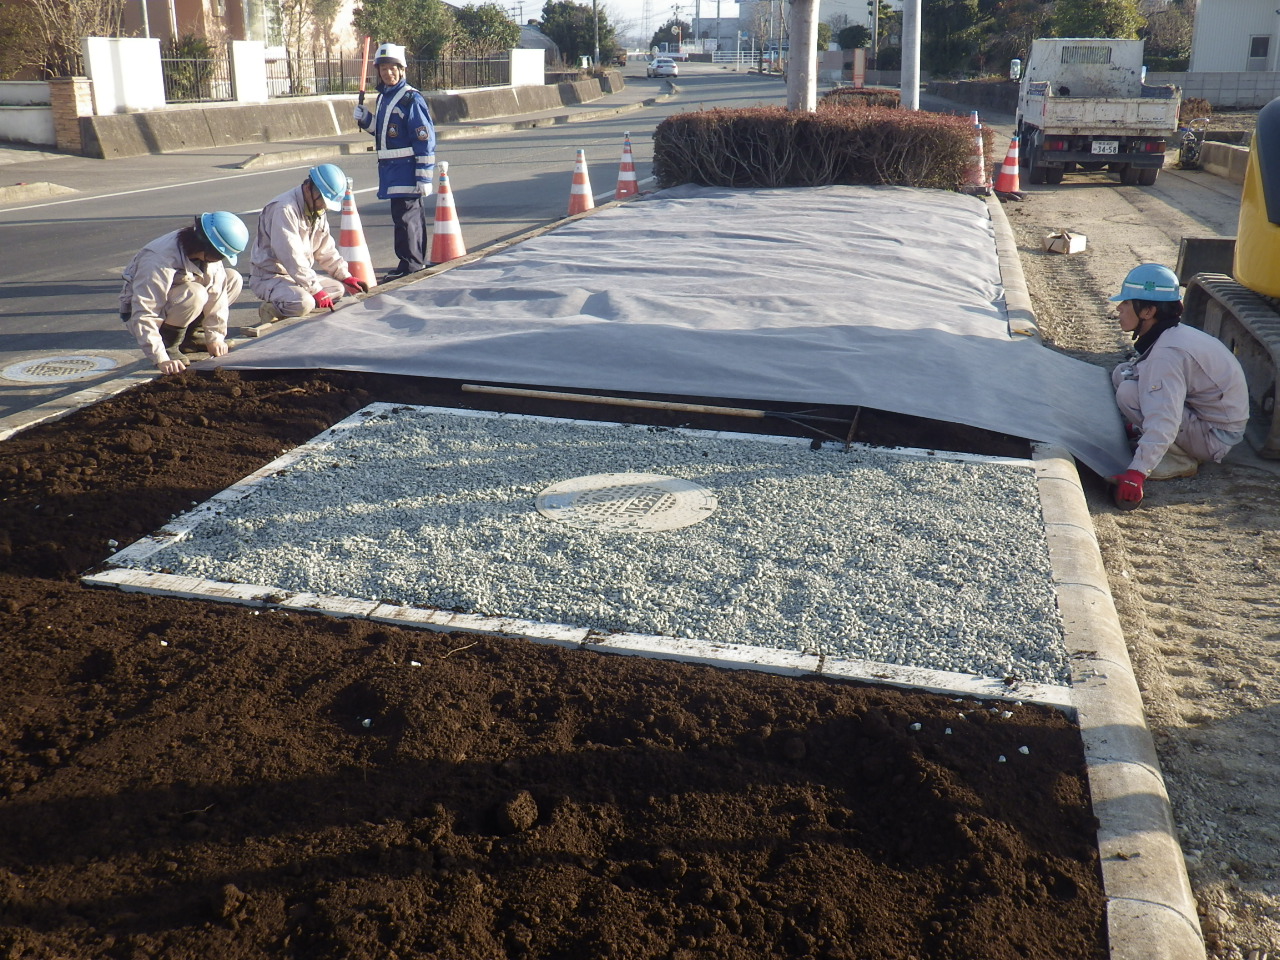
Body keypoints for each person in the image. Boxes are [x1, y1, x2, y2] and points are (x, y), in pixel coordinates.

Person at [1109, 263, 1249, 510]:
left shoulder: (1168, 354)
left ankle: (1179, 460)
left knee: (1129, 393)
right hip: (1211, 419)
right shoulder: (1174, 334)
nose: (1119, 308)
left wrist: (1137, 473)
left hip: (1215, 437)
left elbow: (1165, 418)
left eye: (1127, 303)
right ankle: (1163, 443)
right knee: (1124, 374)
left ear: (1148, 311)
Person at [119, 212, 249, 376]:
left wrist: (215, 338)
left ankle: (192, 336)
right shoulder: (158, 259)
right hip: (143, 312)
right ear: (205, 246)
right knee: (195, 293)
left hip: (178, 301)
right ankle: (169, 344)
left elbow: (218, 296)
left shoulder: (205, 253)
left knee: (232, 279)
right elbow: (145, 312)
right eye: (218, 255)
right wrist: (161, 357)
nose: (219, 260)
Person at [352, 42, 436, 281]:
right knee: (401, 219)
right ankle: (407, 262)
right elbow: (384, 134)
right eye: (383, 68)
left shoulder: (411, 99)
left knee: (408, 219)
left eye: (392, 68)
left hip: (408, 172)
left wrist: (424, 176)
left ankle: (412, 265)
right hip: (391, 172)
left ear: (402, 69)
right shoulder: (383, 98)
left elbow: (425, 139)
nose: (388, 73)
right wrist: (366, 119)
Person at [250, 163, 369, 324]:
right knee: (305, 302)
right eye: (323, 201)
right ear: (309, 188)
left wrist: (345, 276)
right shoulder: (284, 209)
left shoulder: (316, 208)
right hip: (270, 276)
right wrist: (314, 289)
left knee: (337, 289)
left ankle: (291, 303)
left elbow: (325, 249)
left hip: (296, 275)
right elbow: (291, 256)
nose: (324, 206)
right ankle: (272, 308)